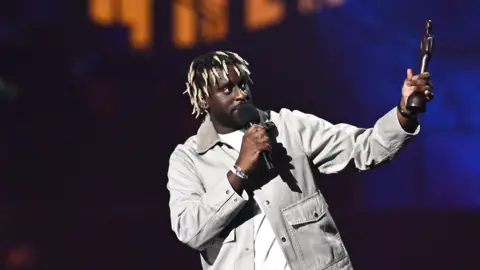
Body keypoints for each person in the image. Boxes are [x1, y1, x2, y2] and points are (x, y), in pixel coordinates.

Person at [167, 51, 433, 270]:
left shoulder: (288, 127)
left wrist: (404, 113)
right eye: (227, 89)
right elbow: (190, 230)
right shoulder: (189, 158)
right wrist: (239, 171)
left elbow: (364, 148)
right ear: (204, 100)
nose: (241, 94)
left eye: (243, 84)